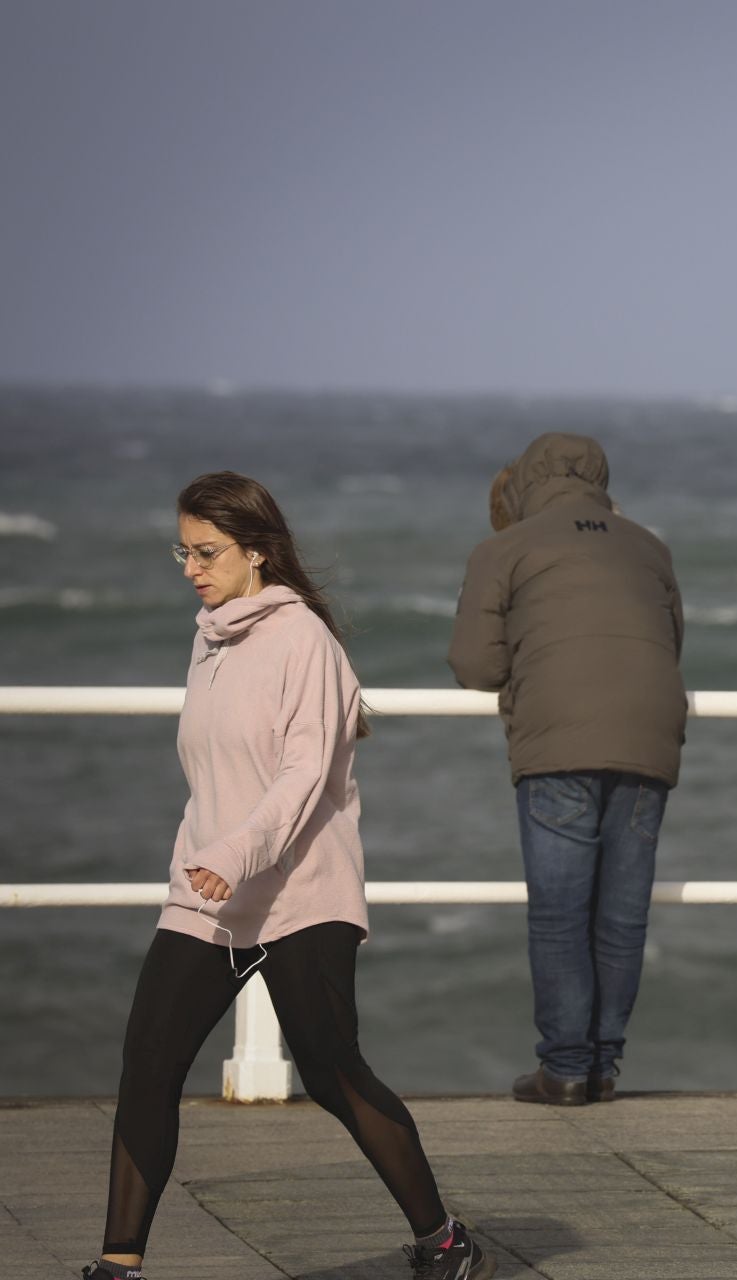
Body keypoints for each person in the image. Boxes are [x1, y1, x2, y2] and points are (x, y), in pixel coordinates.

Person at [84, 473, 489, 1280]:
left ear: (258, 552)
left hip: (299, 894)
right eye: (184, 551)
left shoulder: (304, 641)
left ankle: (444, 1241)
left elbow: (301, 778)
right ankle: (117, 1266)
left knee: (334, 1072)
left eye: (208, 552)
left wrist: (236, 853)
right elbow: (213, 778)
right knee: (147, 1067)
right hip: (206, 897)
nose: (192, 568)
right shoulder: (209, 638)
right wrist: (201, 860)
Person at [449, 433, 685, 1106]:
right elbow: (672, 641)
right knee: (622, 915)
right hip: (648, 734)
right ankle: (604, 1065)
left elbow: (475, 665)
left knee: (559, 915)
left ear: (525, 481)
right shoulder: (649, 546)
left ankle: (565, 1068)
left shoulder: (503, 549)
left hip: (558, 741)